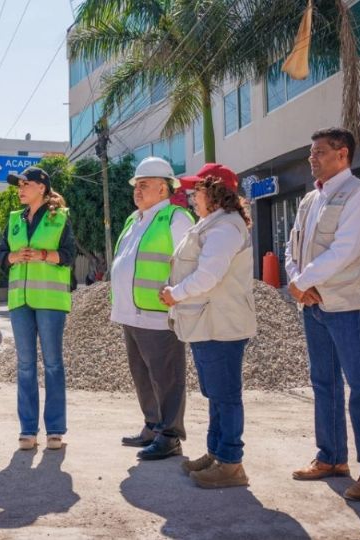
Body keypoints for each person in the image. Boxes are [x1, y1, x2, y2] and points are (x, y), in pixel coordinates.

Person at [284, 127, 360, 501]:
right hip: (314, 304)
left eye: (318, 152)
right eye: (311, 153)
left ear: (342, 154)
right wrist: (297, 280)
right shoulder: (309, 200)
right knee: (324, 383)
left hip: (349, 306)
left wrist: (303, 281)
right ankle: (331, 458)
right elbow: (291, 245)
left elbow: (347, 249)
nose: (311, 159)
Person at [159, 167, 255, 488]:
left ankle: (231, 463)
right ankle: (216, 453)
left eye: (196, 190)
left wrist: (175, 294)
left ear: (214, 192)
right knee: (215, 393)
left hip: (221, 323)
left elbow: (208, 275)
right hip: (207, 321)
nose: (191, 195)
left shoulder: (226, 227)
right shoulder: (211, 223)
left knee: (225, 395)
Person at [111, 156, 194, 460]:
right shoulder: (135, 219)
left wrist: (179, 299)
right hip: (131, 313)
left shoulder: (176, 217)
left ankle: (170, 435)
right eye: (136, 185)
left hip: (159, 314)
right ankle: (152, 425)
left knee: (166, 376)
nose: (137, 190)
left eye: (143, 184)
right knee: (142, 375)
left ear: (163, 188)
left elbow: (187, 264)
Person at [0, 167, 76, 451]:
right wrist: (13, 257)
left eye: (25, 184)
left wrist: (43, 255)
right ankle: (28, 430)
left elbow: (68, 255)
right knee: (25, 366)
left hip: (51, 303)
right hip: (20, 302)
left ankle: (55, 430)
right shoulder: (14, 219)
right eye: (19, 185)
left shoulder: (60, 218)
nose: (20, 189)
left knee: (53, 365)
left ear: (41, 187)